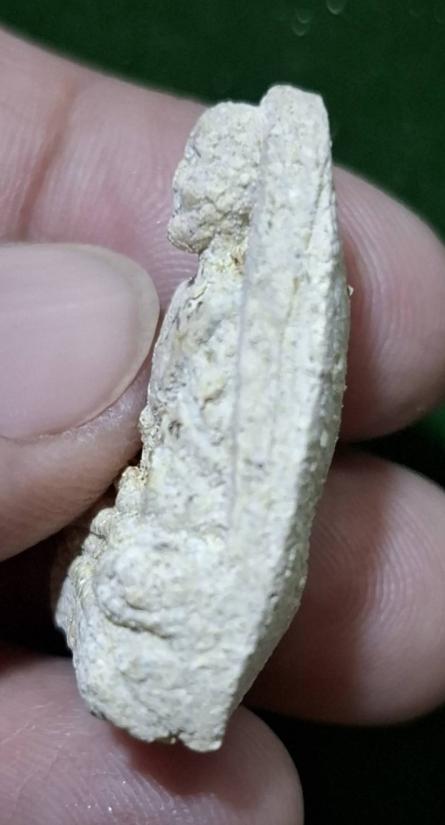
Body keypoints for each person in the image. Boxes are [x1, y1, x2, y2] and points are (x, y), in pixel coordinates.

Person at [0, 27, 444, 825]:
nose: (179, 194)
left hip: (194, 525)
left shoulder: (252, 283)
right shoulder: (215, 286)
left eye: (206, 168)